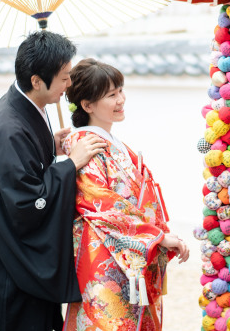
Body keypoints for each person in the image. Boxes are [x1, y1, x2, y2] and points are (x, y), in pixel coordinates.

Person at [0, 31, 109, 331]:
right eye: (63, 78)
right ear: (37, 81)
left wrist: (51, 145)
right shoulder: (10, 127)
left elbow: (25, 163)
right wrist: (71, 164)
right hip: (10, 262)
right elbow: (26, 202)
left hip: (5, 247)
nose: (69, 85)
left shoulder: (22, 106)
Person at [61, 58, 190, 331]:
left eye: (120, 90)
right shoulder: (84, 145)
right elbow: (101, 204)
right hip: (104, 253)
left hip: (126, 252)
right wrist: (157, 236)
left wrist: (161, 232)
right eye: (111, 95)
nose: (121, 99)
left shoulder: (111, 143)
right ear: (87, 105)